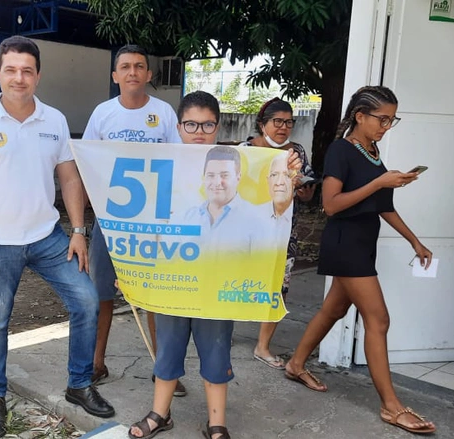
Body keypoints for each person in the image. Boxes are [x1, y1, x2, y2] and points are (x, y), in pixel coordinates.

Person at [0, 36, 115, 439]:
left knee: (87, 300)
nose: (18, 78)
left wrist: (78, 231)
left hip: (47, 236)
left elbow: (69, 177)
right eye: (11, 70)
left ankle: (78, 384)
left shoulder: (54, 120)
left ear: (38, 75)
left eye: (27, 70)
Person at [283, 85, 436, 435]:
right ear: (360, 116)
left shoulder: (371, 150)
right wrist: (380, 181)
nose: (386, 125)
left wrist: (415, 241)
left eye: (391, 120)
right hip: (345, 244)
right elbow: (331, 205)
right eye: (382, 119)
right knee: (378, 320)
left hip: (364, 243)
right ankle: (391, 406)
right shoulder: (341, 150)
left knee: (334, 309)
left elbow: (383, 206)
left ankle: (295, 364)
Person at [128, 91, 236, 439]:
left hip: (216, 279)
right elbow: (144, 222)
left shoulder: (235, 163)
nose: (199, 131)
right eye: (191, 124)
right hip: (172, 278)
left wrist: (289, 170)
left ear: (218, 126)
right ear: (179, 126)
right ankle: (160, 414)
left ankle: (217, 422)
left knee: (216, 349)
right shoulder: (161, 167)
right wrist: (135, 268)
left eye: (207, 124)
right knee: (169, 346)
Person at [82, 44, 185, 396]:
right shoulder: (102, 114)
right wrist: (82, 225)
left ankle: (165, 369)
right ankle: (95, 363)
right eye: (125, 67)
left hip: (152, 225)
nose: (132, 72)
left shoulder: (165, 113)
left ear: (149, 75)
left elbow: (178, 164)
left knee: (155, 299)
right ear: (115, 76)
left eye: (139, 66)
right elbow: (87, 167)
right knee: (101, 297)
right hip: (110, 224)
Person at [245, 98, 316, 369]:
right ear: (262, 123)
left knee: (278, 287)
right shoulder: (246, 150)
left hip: (283, 232)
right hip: (247, 231)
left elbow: (306, 193)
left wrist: (304, 190)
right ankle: (221, 333)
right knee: (231, 280)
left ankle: (263, 345)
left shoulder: (296, 151)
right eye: (278, 121)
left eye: (289, 122)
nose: (284, 127)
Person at [181, 144, 261, 259]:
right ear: (204, 177)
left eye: (224, 175)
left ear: (238, 177)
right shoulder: (187, 217)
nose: (217, 182)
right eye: (211, 175)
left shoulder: (256, 220)